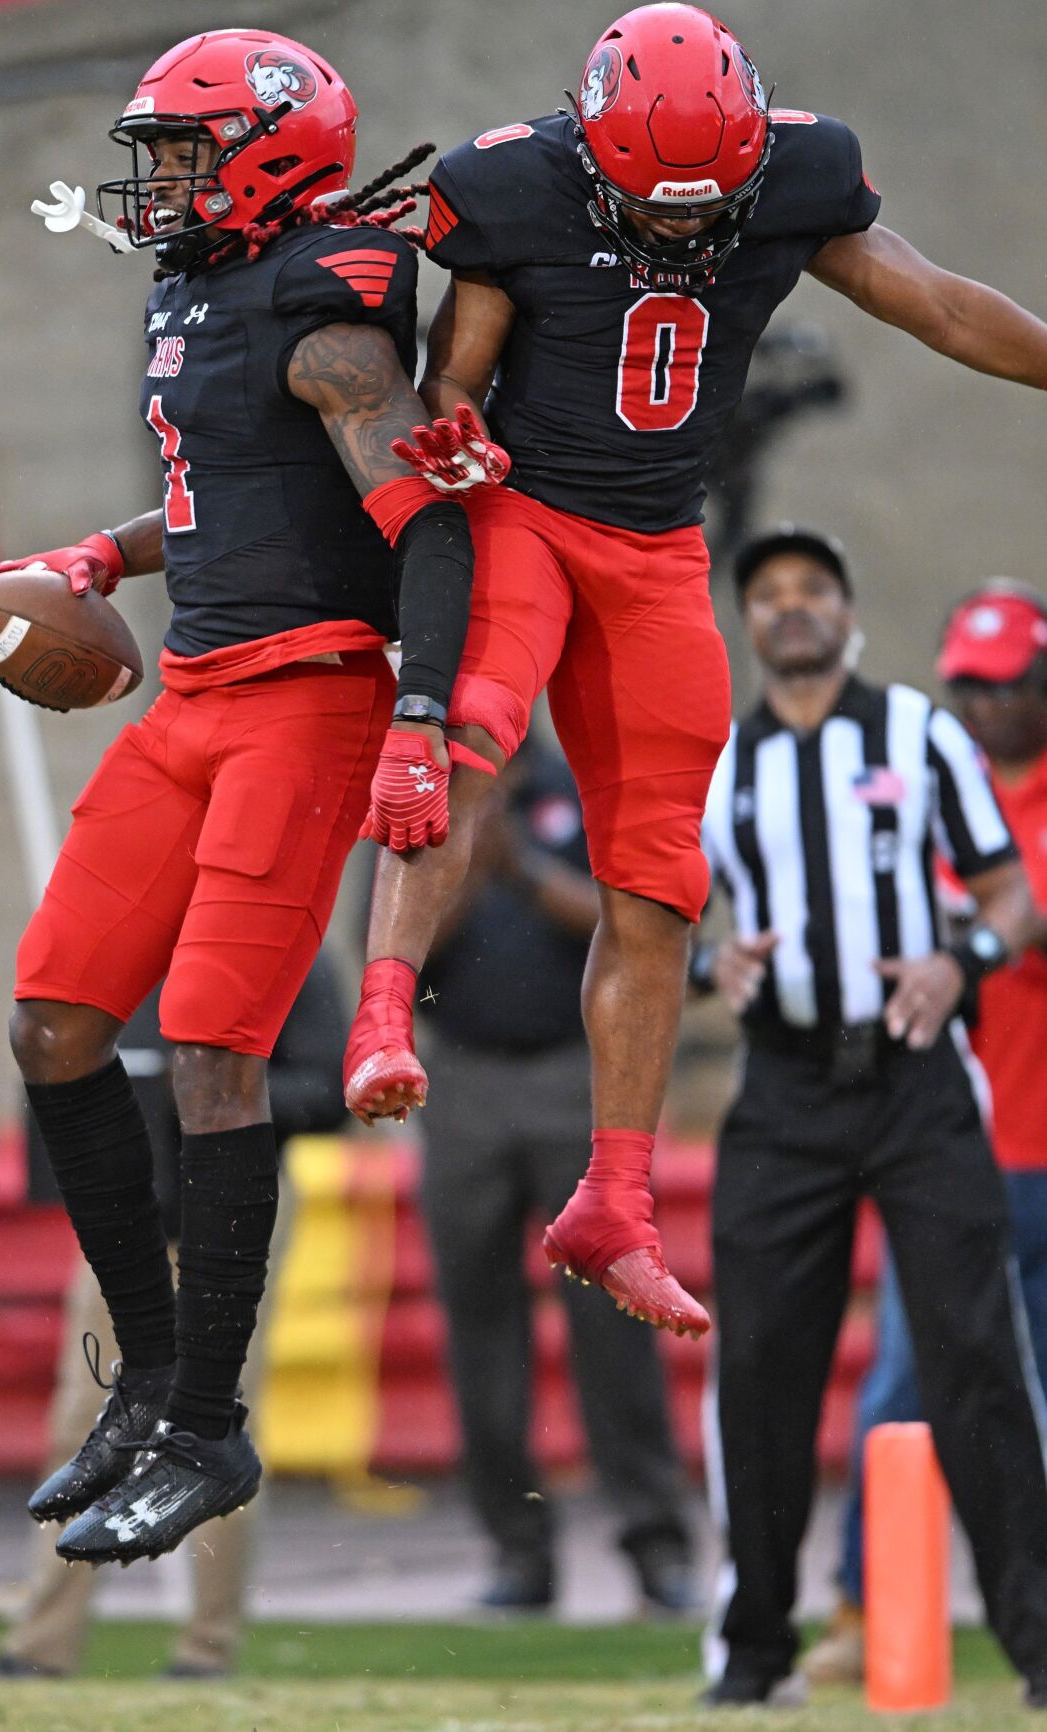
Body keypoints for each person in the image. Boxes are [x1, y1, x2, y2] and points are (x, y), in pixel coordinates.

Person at [342, 1, 1047, 1343]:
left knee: (661, 874)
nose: (680, 228)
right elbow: (454, 384)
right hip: (532, 520)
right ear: (591, 150)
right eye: (652, 204)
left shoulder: (799, 180)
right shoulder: (512, 187)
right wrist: (456, 436)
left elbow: (941, 306)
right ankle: (385, 1011)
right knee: (472, 734)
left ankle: (616, 1201)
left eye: (706, 202)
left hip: (660, 548)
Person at [0, 28, 482, 1569]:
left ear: (267, 150)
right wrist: (96, 557)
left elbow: (421, 516)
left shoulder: (337, 304)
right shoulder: (195, 290)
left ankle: (208, 1422)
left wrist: (418, 708)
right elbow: (218, 478)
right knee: (54, 1020)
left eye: (184, 151)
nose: (159, 181)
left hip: (310, 694)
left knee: (212, 1045)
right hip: (193, 691)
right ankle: (147, 1386)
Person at [691, 525, 1047, 1710]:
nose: (791, 609)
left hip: (913, 1076)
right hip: (782, 1085)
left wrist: (965, 959)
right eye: (770, 594)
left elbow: (1005, 891)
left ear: (847, 613)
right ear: (748, 623)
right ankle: (752, 1650)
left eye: (812, 590)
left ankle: (1037, 1644)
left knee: (973, 1358)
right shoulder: (718, 762)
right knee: (757, 1367)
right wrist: (708, 962)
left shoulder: (919, 733)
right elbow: (660, 917)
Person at [0, 952, 346, 1680]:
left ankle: (207, 1647)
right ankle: (41, 1645)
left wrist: (217, 1088)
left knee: (212, 1422)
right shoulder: (127, 947)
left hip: (231, 1211)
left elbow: (329, 1091)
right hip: (126, 1214)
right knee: (83, 1420)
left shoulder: (281, 941)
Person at [805, 579, 1047, 1688]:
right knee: (910, 1379)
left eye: (1002, 685)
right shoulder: (931, 803)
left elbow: (1011, 917)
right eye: (965, 685)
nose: (981, 705)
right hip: (957, 1150)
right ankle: (865, 1601)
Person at [416, 736, 696, 1613]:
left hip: (574, 1074)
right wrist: (467, 865)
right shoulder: (418, 799)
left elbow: (637, 922)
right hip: (460, 1082)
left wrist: (522, 868)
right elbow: (390, 951)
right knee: (479, 1323)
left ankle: (657, 1548)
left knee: (610, 1319)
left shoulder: (585, 782)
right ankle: (518, 1552)